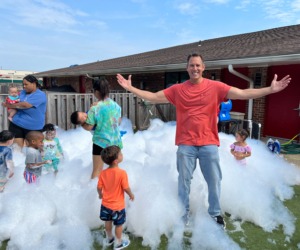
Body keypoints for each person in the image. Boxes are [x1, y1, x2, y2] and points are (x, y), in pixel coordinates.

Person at [116, 53, 291, 228]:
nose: (195, 68)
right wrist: (131, 88)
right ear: (187, 68)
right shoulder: (178, 89)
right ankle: (183, 214)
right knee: (184, 182)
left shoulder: (216, 87)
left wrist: (270, 89)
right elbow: (153, 97)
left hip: (209, 144)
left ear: (203, 67)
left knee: (214, 180)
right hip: (186, 144)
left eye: (198, 65)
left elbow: (243, 93)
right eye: (192, 65)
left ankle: (215, 213)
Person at [70, 79, 122, 179]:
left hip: (101, 142)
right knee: (114, 168)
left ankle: (94, 193)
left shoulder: (94, 108)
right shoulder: (116, 106)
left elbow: (89, 126)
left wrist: (82, 124)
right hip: (115, 141)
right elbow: (118, 122)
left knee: (97, 170)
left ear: (97, 92)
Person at [97, 145, 134, 249]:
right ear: (116, 161)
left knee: (107, 221)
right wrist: (131, 194)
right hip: (117, 206)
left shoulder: (103, 173)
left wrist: (100, 194)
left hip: (105, 205)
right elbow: (126, 187)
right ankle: (118, 243)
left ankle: (109, 238)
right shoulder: (122, 173)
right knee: (118, 225)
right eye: (120, 154)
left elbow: (99, 187)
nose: (122, 155)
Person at [2, 75, 47, 150]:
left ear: (34, 83)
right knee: (16, 151)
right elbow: (14, 99)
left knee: (33, 152)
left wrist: (9, 105)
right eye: (23, 84)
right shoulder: (22, 92)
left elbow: (25, 105)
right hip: (16, 124)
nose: (24, 86)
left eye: (26, 84)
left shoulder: (40, 95)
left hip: (33, 127)